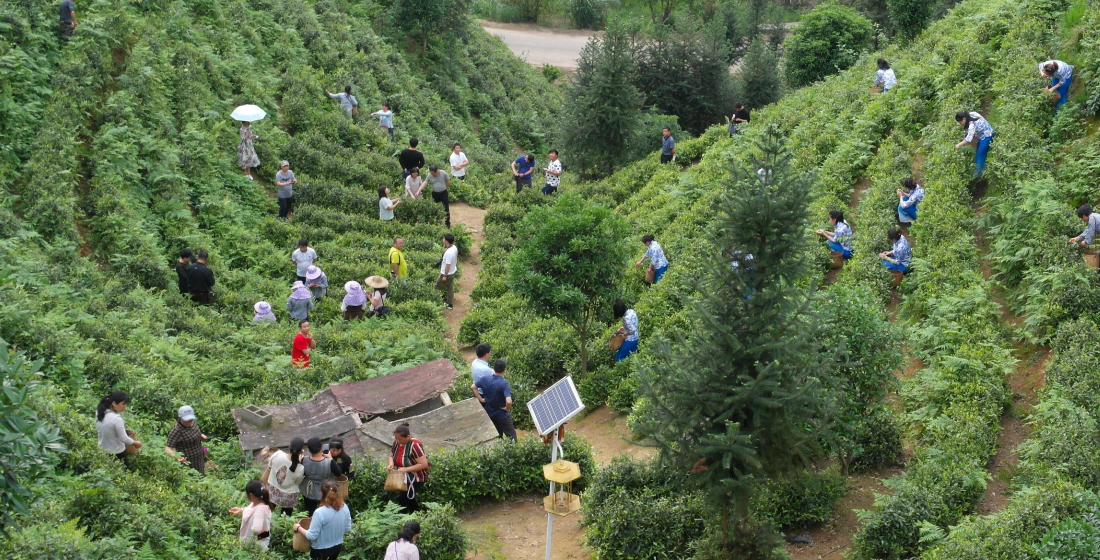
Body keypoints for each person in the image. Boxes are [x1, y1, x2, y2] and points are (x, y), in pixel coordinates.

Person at [293, 480, 352, 560]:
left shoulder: (319, 512)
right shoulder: (344, 507)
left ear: (321, 494)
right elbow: (347, 528)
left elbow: (312, 536)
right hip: (337, 547)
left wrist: (298, 527)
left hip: (321, 550)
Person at [388, 423, 430, 513]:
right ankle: (418, 515)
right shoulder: (396, 443)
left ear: (407, 437)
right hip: (403, 477)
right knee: (409, 497)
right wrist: (391, 464)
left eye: (400, 439)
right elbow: (391, 456)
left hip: (417, 477)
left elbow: (423, 464)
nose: (397, 441)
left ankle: (401, 518)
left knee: (404, 498)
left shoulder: (415, 446)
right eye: (396, 438)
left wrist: (405, 469)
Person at [299, 437, 344, 516]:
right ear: (321, 448)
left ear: (309, 450)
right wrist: (331, 459)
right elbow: (338, 473)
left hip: (309, 490)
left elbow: (303, 473)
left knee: (310, 513)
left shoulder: (304, 460)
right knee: (327, 511)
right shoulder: (329, 462)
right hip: (326, 490)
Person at [475, 360, 516, 441]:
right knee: (511, 436)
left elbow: (473, 387)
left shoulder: (485, 379)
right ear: (504, 370)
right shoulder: (503, 383)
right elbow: (509, 401)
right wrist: (507, 409)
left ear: (493, 368)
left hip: (489, 412)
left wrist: (481, 399)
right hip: (502, 414)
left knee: (497, 434)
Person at [96, 390, 141, 462]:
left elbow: (107, 428)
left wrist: (124, 431)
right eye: (123, 404)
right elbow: (124, 439)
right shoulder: (116, 419)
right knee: (124, 472)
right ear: (114, 403)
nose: (124, 407)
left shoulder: (100, 412)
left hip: (102, 450)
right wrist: (136, 443)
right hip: (117, 452)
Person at [266, 437, 306, 516]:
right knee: (286, 516)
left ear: (288, 446)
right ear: (301, 451)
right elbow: (298, 482)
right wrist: (299, 463)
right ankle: (284, 526)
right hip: (288, 497)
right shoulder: (300, 468)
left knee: (267, 512)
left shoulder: (277, 454)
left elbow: (270, 466)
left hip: (272, 491)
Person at [165, 405, 208, 475]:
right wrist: (177, 457)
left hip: (199, 459)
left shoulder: (193, 423)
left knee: (201, 476)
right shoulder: (176, 430)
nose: (189, 422)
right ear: (180, 418)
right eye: (186, 420)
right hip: (188, 463)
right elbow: (168, 448)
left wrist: (201, 436)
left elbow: (195, 433)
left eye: (190, 420)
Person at [230, 480, 273, 549]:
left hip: (256, 545)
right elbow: (252, 510)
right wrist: (241, 510)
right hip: (256, 540)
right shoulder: (258, 502)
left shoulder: (260, 509)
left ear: (251, 495)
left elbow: (257, 530)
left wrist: (252, 528)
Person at [954, 110, 994, 176]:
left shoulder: (971, 126)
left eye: (960, 122)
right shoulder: (971, 114)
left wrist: (958, 145)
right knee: (979, 152)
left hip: (987, 137)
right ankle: (983, 167)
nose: (960, 124)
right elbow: (982, 118)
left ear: (964, 119)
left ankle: (978, 175)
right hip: (987, 131)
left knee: (979, 156)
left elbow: (968, 140)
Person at [437, 233, 458, 310]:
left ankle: (437, 302)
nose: (443, 239)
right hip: (452, 271)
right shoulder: (454, 247)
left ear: (446, 241)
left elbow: (447, 265)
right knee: (450, 288)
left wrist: (445, 276)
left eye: (443, 238)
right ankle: (450, 303)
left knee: (437, 287)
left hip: (447, 273)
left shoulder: (449, 253)